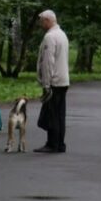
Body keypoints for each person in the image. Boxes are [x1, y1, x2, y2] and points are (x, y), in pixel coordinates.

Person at [35, 10, 69, 153]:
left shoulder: (50, 37)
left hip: (54, 81)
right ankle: (60, 143)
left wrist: (46, 84)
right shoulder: (62, 34)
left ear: (48, 20)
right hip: (63, 80)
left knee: (52, 114)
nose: (41, 24)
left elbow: (48, 62)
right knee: (60, 114)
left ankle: (52, 144)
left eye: (42, 21)